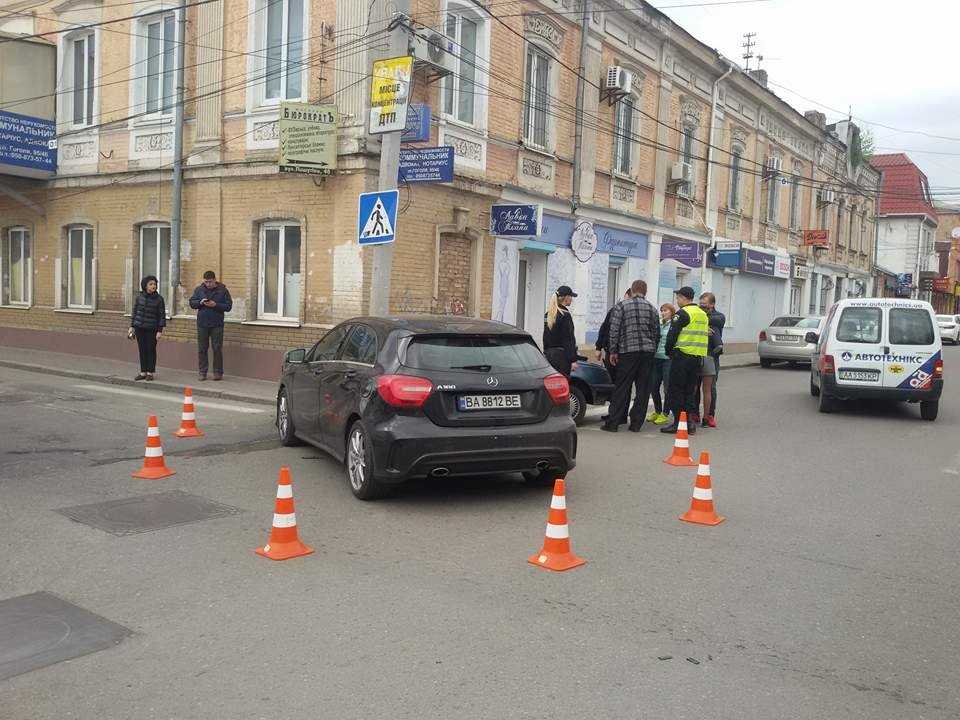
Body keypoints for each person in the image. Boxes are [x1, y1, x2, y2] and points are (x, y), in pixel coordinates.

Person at [602, 279, 661, 433]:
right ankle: (636, 424)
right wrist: (652, 348)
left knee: (622, 387)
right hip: (647, 353)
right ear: (645, 291)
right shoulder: (652, 309)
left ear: (632, 290)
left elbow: (614, 331)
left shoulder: (621, 306)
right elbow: (656, 333)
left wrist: (613, 351)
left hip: (627, 352)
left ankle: (613, 423)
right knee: (643, 389)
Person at [660, 286, 709, 435]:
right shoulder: (702, 314)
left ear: (683, 298)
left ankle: (678, 424)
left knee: (676, 391)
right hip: (697, 358)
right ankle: (689, 423)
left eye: (678, 298)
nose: (677, 300)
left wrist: (668, 352)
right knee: (690, 391)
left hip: (682, 356)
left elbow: (672, 335)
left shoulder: (682, 313)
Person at [189, 270, 233, 381]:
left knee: (217, 348)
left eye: (210, 282)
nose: (208, 284)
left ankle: (218, 372)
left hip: (217, 324)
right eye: (206, 282)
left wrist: (215, 305)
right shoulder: (199, 290)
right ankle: (202, 372)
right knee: (202, 348)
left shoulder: (222, 290)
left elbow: (228, 306)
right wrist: (200, 302)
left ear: (214, 280)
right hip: (202, 324)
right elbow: (192, 303)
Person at [694, 292, 726, 428]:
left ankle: (709, 415)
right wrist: (701, 328)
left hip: (711, 356)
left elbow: (717, 320)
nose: (702, 307)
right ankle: (694, 412)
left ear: (712, 304)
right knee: (694, 387)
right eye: (700, 304)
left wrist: (700, 321)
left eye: (705, 305)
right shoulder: (698, 314)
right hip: (696, 354)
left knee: (710, 388)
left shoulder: (719, 317)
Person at [128, 275, 166, 381]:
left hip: (152, 329)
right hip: (140, 328)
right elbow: (135, 312)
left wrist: (160, 330)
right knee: (142, 350)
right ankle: (143, 372)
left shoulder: (159, 299)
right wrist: (132, 326)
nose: (153, 286)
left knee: (151, 350)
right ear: (145, 286)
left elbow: (161, 316)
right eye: (151, 284)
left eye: (155, 284)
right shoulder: (139, 297)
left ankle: (150, 373)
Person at [646, 303, 675, 425]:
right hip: (656, 357)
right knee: (653, 385)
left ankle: (665, 413)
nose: (663, 313)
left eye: (666, 311)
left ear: (672, 312)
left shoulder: (674, 324)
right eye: (662, 311)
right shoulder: (659, 323)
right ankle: (657, 411)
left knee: (667, 387)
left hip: (668, 358)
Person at [542, 285, 578, 377]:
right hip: (562, 357)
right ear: (566, 297)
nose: (571, 299)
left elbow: (545, 336)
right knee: (562, 384)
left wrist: (546, 352)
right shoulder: (565, 315)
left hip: (549, 355)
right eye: (571, 297)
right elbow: (568, 339)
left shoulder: (548, 314)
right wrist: (573, 360)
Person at [595, 289, 632, 375]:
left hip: (625, 353)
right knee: (611, 378)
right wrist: (598, 348)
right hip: (611, 350)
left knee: (623, 380)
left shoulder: (633, 312)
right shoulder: (615, 310)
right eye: (629, 298)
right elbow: (604, 328)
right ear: (626, 295)